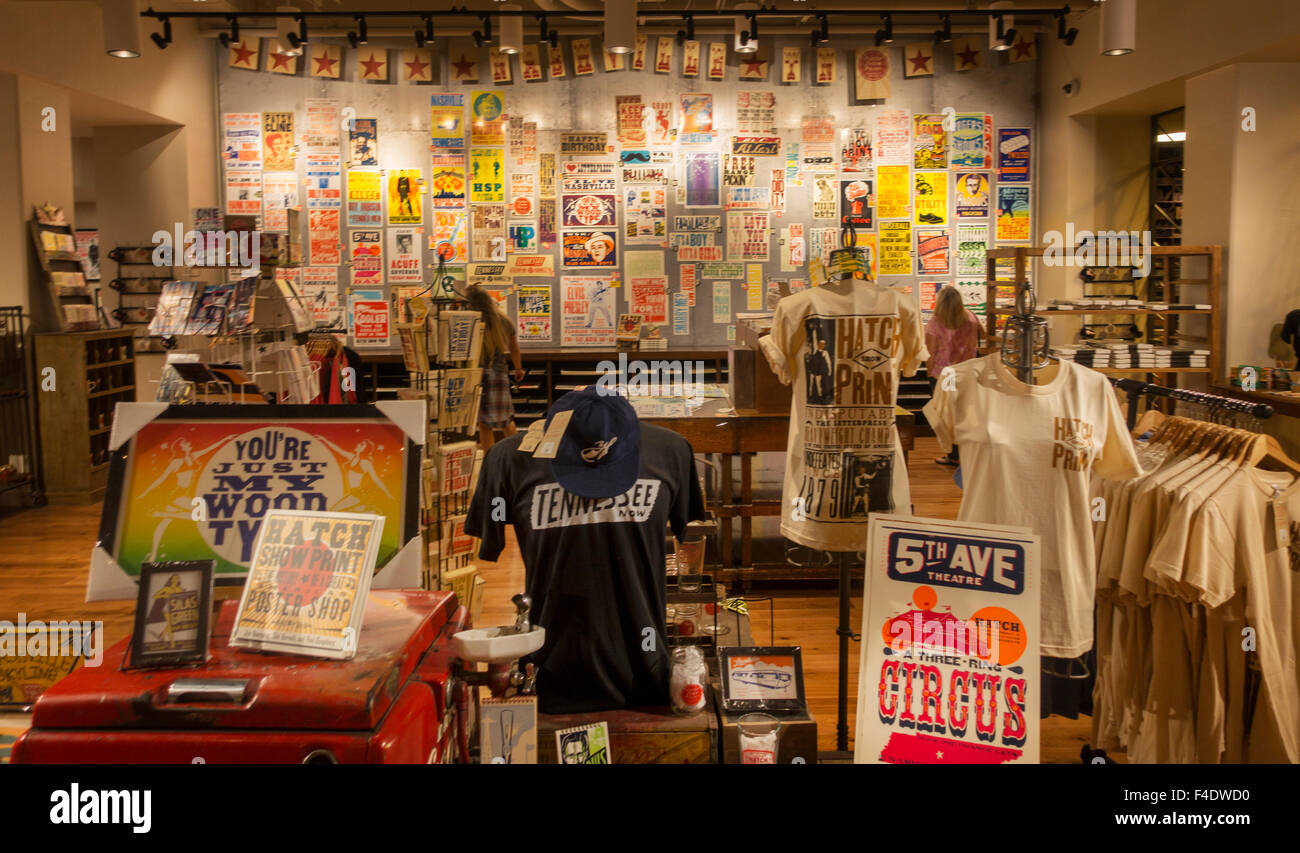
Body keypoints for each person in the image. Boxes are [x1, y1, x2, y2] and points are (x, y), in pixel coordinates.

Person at [925, 286, 982, 466]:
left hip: (944, 376)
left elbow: (930, 353)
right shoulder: (971, 318)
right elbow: (981, 338)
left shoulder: (935, 323)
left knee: (946, 416)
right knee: (966, 413)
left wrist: (929, 374)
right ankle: (968, 453)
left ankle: (953, 454)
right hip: (968, 373)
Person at [467, 285, 524, 447]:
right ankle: (516, 454)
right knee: (506, 420)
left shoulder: (470, 319)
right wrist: (518, 368)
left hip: (477, 374)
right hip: (498, 373)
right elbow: (514, 347)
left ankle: (489, 460)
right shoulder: (503, 319)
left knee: (484, 424)